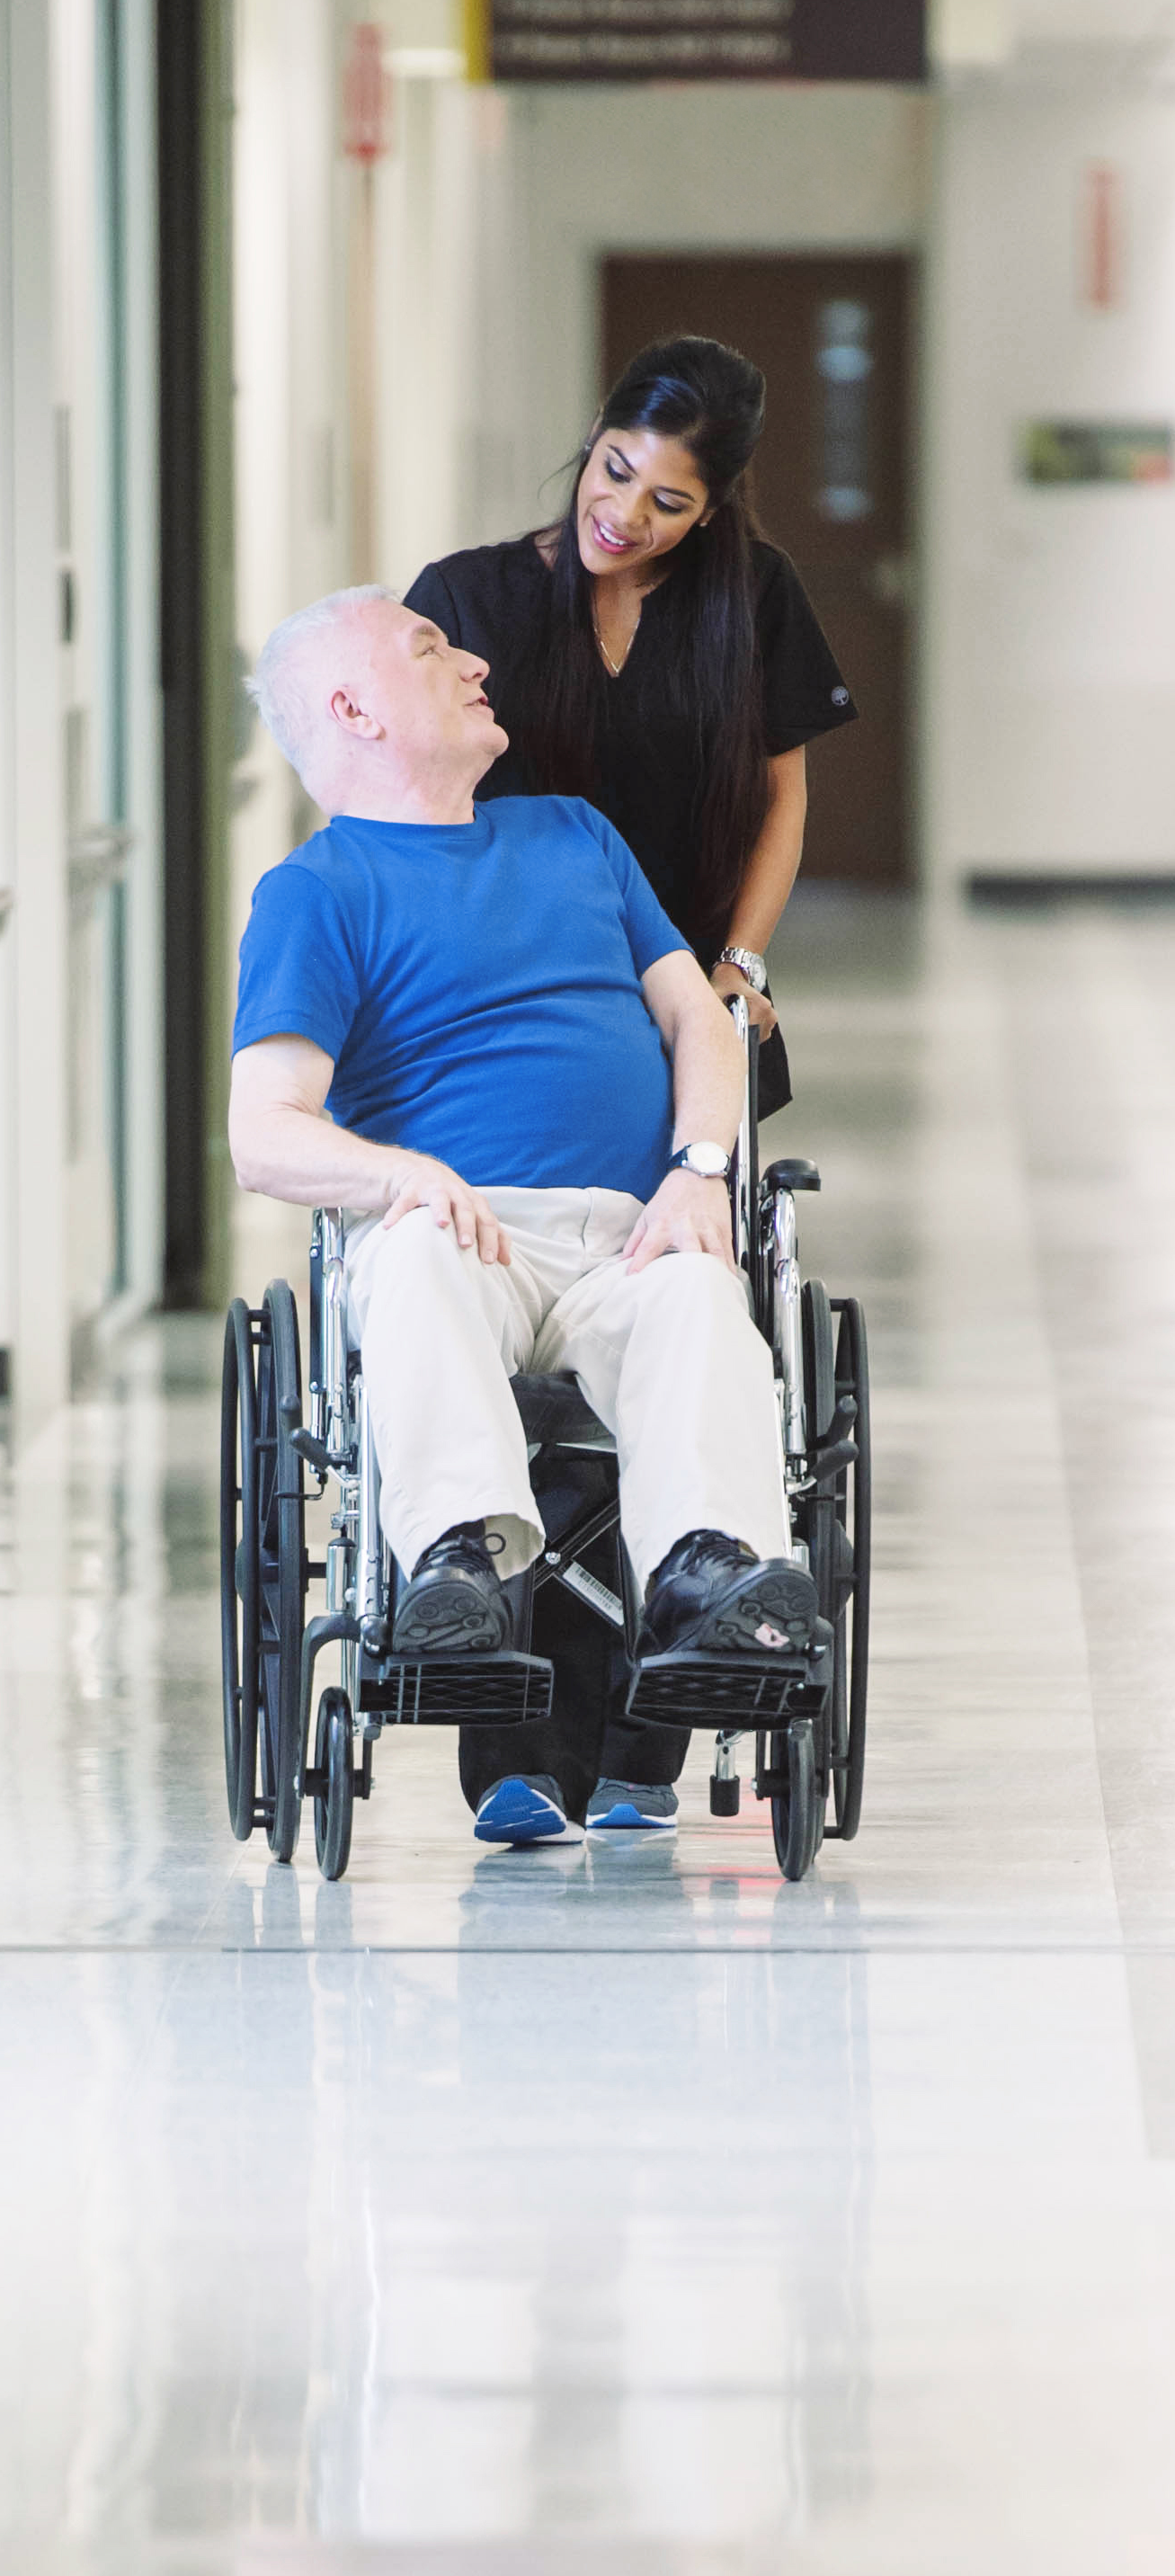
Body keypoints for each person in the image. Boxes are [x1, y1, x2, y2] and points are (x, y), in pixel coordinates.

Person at [227, 586, 825, 1850]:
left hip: (628, 1226)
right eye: (433, 647)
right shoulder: (318, 889)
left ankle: (708, 1573)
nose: (475, 657)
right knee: (416, 1264)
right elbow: (263, 1131)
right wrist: (395, 1176)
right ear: (352, 707)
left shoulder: (574, 836)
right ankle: (458, 1569)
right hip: (460, 1233)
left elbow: (694, 1022)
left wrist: (699, 1169)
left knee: (697, 1291)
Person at [405, 329, 856, 1836]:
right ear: (590, 439)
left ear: (714, 509)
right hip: (505, 1018)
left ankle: (657, 1729)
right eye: (615, 473)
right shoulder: (472, 601)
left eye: (667, 501)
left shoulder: (746, 606)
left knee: (665, 1320)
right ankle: (517, 1744)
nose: (626, 516)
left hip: (686, 1016)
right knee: (514, 1356)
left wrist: (735, 963)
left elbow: (782, 790)